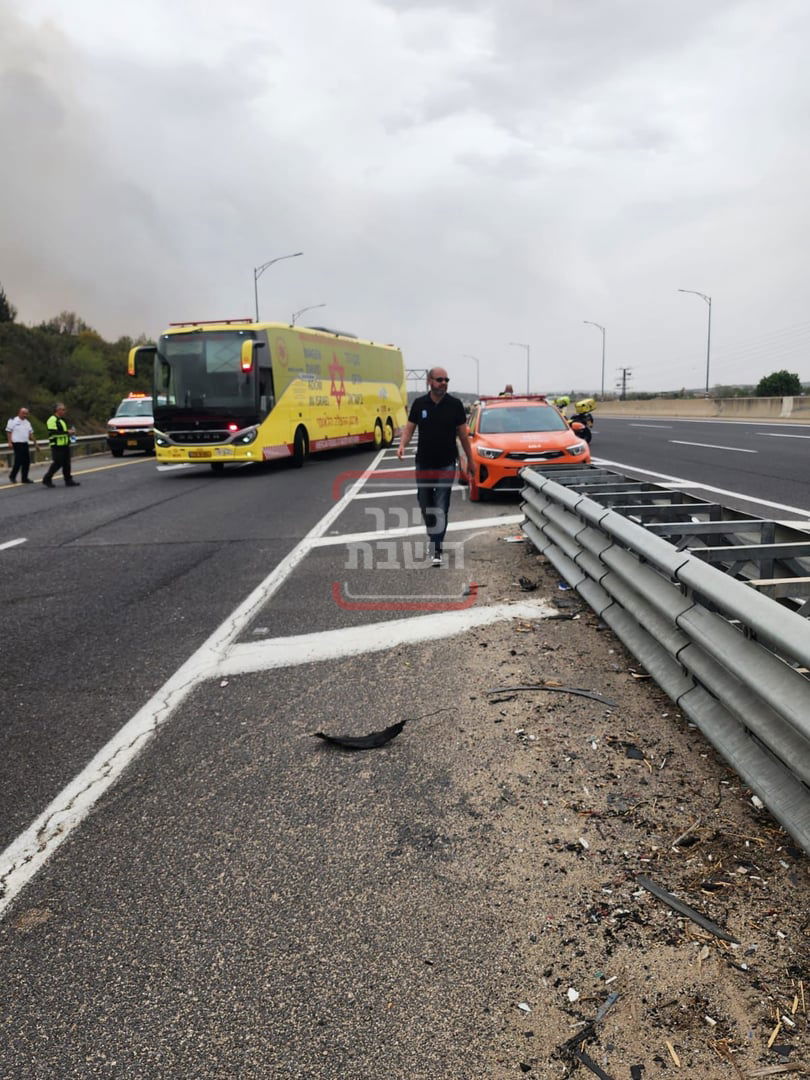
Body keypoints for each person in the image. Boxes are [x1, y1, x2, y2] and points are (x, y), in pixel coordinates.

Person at [397, 366, 473, 567]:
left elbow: (463, 436)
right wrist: (402, 445)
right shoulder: (419, 403)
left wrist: (470, 461)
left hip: (446, 464)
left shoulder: (455, 405)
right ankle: (433, 533)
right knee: (425, 502)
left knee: (441, 505)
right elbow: (410, 428)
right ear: (430, 382)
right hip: (424, 463)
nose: (444, 383)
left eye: (447, 379)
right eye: (440, 379)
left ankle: (436, 545)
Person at [42, 403, 80, 488]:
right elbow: (53, 433)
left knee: (67, 463)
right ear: (57, 410)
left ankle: (68, 480)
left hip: (65, 444)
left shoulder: (62, 420)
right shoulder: (52, 420)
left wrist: (69, 433)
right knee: (57, 463)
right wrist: (67, 432)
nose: (64, 411)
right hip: (56, 445)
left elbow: (63, 432)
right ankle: (47, 479)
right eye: (63, 409)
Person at [5, 406, 36, 483]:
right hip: (17, 443)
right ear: (19, 413)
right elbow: (9, 432)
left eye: (26, 414)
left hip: (25, 443)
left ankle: (24, 478)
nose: (25, 415)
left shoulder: (27, 422)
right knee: (18, 461)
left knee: (27, 462)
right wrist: (9, 442)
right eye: (23, 413)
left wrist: (35, 443)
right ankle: (12, 476)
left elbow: (30, 434)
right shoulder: (13, 420)